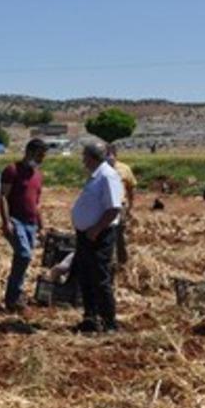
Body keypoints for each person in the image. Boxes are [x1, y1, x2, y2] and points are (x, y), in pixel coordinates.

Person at [70, 140, 123, 333]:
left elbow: (114, 208)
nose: (83, 160)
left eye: (85, 156)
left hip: (99, 235)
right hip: (86, 234)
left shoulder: (108, 176)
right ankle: (90, 317)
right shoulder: (95, 176)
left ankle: (109, 321)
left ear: (92, 157)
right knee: (86, 276)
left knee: (100, 277)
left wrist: (97, 228)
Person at [0, 139, 48, 312]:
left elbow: (37, 203)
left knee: (23, 258)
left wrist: (41, 226)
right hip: (16, 220)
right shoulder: (12, 170)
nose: (41, 159)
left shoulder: (37, 174)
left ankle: (14, 297)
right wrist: (6, 222)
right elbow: (3, 197)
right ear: (29, 152)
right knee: (24, 255)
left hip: (31, 223)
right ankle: (14, 297)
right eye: (39, 155)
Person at [107, 144, 137, 269]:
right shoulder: (100, 170)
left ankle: (122, 263)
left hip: (120, 206)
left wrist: (131, 206)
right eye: (107, 155)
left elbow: (131, 188)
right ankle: (107, 261)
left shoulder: (124, 169)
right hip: (105, 207)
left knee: (119, 235)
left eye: (111, 154)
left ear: (116, 155)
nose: (109, 158)